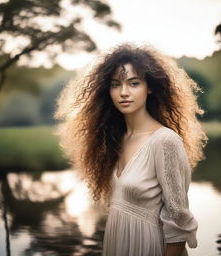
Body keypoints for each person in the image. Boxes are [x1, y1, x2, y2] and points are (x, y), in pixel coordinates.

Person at [54, 43, 208, 256]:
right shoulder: (113, 140)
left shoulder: (165, 141)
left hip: (150, 246)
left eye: (133, 83)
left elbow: (178, 222)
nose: (123, 92)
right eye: (116, 84)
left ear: (150, 87)